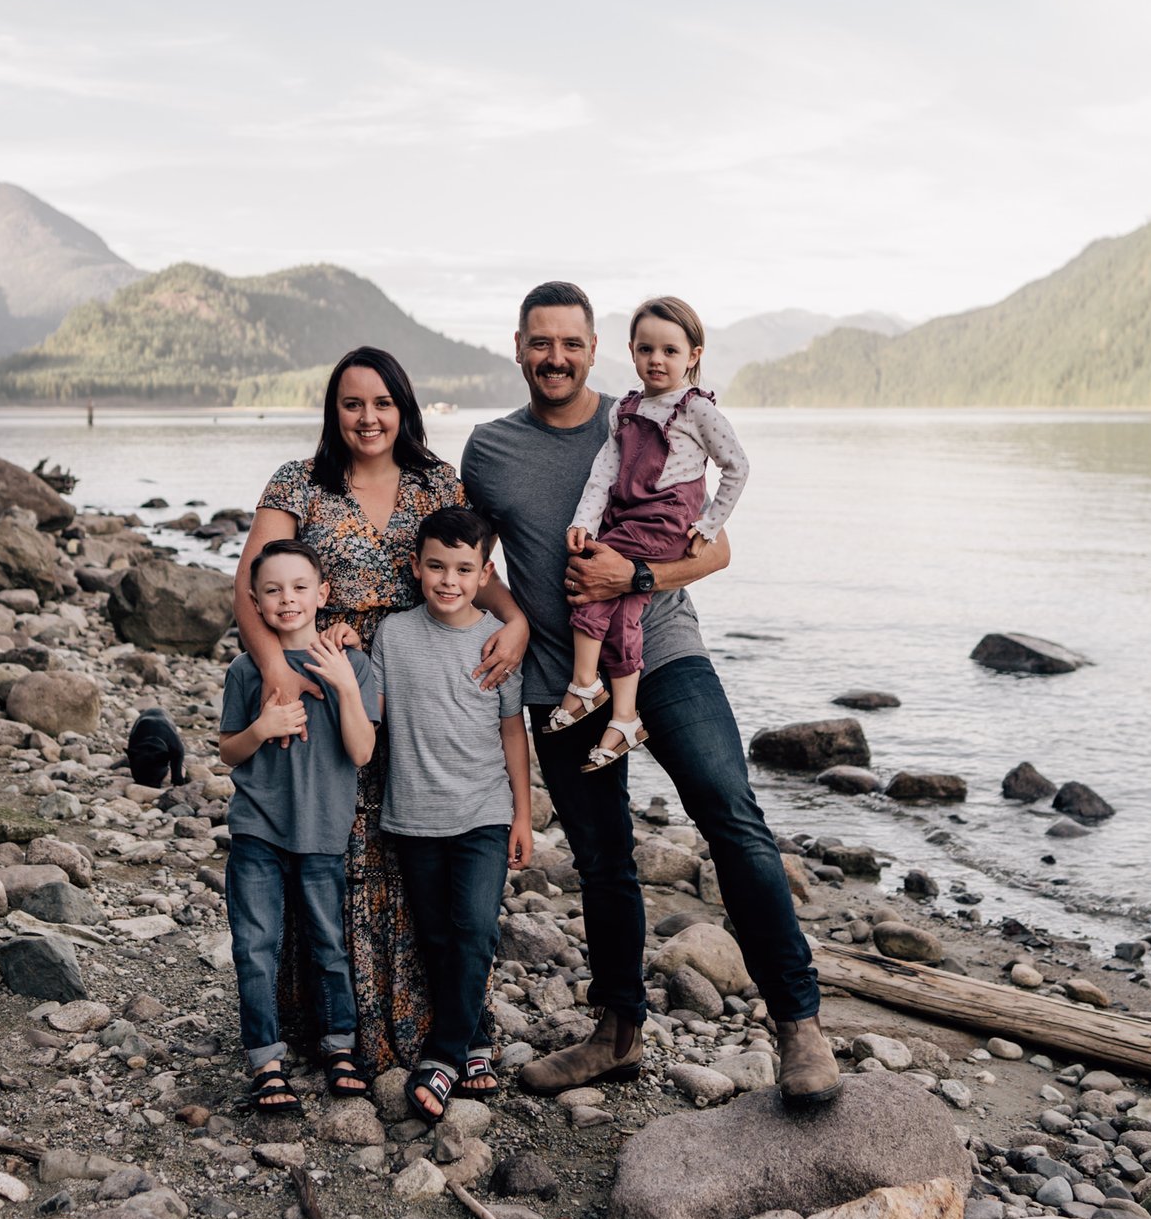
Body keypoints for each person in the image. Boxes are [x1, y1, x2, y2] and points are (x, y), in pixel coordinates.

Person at [461, 280, 839, 1107]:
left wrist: (635, 573)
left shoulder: (646, 414)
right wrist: (514, 621)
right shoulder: (489, 450)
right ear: (518, 347)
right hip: (564, 681)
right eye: (539, 342)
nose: (554, 357)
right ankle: (618, 1032)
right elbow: (470, 562)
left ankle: (800, 1024)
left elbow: (717, 551)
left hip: (664, 653)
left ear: (595, 349)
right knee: (602, 860)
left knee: (729, 814)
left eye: (570, 343)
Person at [235, 346, 528, 1083]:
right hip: (328, 687)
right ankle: (333, 1031)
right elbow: (250, 584)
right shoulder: (298, 482)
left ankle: (449, 1030)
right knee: (330, 857)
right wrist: (278, 672)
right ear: (334, 412)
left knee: (422, 868)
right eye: (352, 403)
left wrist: (517, 620)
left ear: (404, 409)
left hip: (416, 687)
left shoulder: (435, 482)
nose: (368, 418)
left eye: (382, 403)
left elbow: (468, 567)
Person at [371, 505, 532, 1122]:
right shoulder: (394, 633)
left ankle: (440, 1057)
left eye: (464, 569)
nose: (448, 580)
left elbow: (512, 731)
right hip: (413, 812)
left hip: (483, 811)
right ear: (415, 567)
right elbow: (375, 709)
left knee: (475, 928)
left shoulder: (495, 636)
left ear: (484, 571)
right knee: (437, 938)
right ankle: (478, 1038)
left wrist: (522, 813)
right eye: (436, 566)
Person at [552, 296, 750, 773]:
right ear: (632, 351)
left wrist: (709, 524)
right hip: (630, 515)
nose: (656, 360)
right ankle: (623, 718)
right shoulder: (625, 408)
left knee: (587, 580)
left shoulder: (696, 410)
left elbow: (736, 467)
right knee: (621, 616)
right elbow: (604, 472)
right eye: (646, 350)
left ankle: (585, 684)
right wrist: (582, 520)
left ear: (693, 356)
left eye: (669, 351)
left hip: (665, 518)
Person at [216, 539, 380, 1114]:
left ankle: (340, 1048)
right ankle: (265, 1059)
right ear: (256, 604)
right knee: (255, 947)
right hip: (257, 832)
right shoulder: (245, 670)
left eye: (299, 587)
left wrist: (346, 686)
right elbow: (228, 753)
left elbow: (362, 752)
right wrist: (262, 727)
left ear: (323, 595)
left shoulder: (353, 664)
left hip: (323, 834)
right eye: (273, 591)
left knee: (328, 944)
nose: (288, 599)